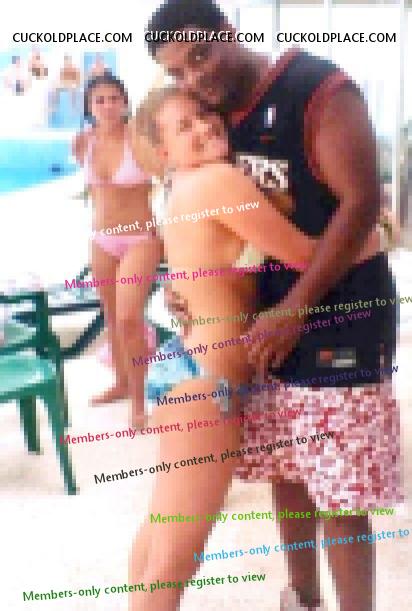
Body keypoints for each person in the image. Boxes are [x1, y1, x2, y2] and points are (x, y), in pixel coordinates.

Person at [144, 1, 402, 611]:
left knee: (341, 494)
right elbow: (208, 226)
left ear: (229, 32)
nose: (195, 78)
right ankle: (302, 599)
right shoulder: (218, 120)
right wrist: (189, 284)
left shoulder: (319, 88)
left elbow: (362, 200)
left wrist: (296, 307)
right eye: (179, 72)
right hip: (261, 334)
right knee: (289, 475)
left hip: (341, 320)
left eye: (201, 55)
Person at [73, 74, 162, 428]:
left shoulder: (137, 138)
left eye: (114, 98)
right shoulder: (83, 142)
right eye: (100, 100)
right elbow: (94, 192)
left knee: (128, 319)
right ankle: (122, 383)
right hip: (101, 239)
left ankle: (139, 402)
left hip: (140, 238)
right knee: (111, 317)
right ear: (89, 107)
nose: (108, 106)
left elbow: (166, 174)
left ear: (125, 102)